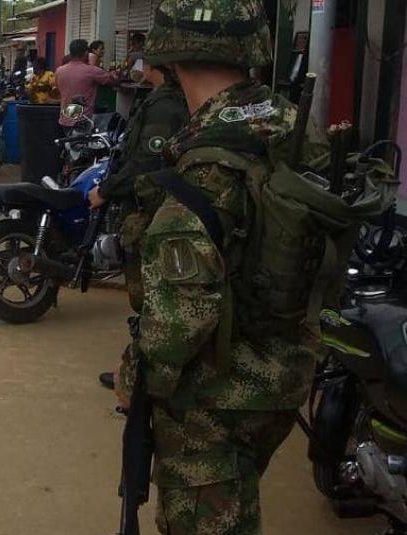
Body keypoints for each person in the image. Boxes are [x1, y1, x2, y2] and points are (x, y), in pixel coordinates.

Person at [113, 1, 317, 532]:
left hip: (217, 393)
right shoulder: (291, 125)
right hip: (285, 366)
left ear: (172, 53)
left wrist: (135, 372)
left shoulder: (207, 161)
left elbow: (181, 317)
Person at [89, 59, 188, 391]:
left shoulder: (164, 105)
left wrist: (106, 191)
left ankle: (140, 378)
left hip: (152, 209)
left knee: (149, 298)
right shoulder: (171, 99)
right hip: (161, 206)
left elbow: (144, 163)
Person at [55, 39, 118, 127]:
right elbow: (113, 81)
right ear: (85, 53)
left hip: (64, 120)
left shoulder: (59, 71)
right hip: (83, 121)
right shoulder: (91, 70)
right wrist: (114, 75)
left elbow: (59, 89)